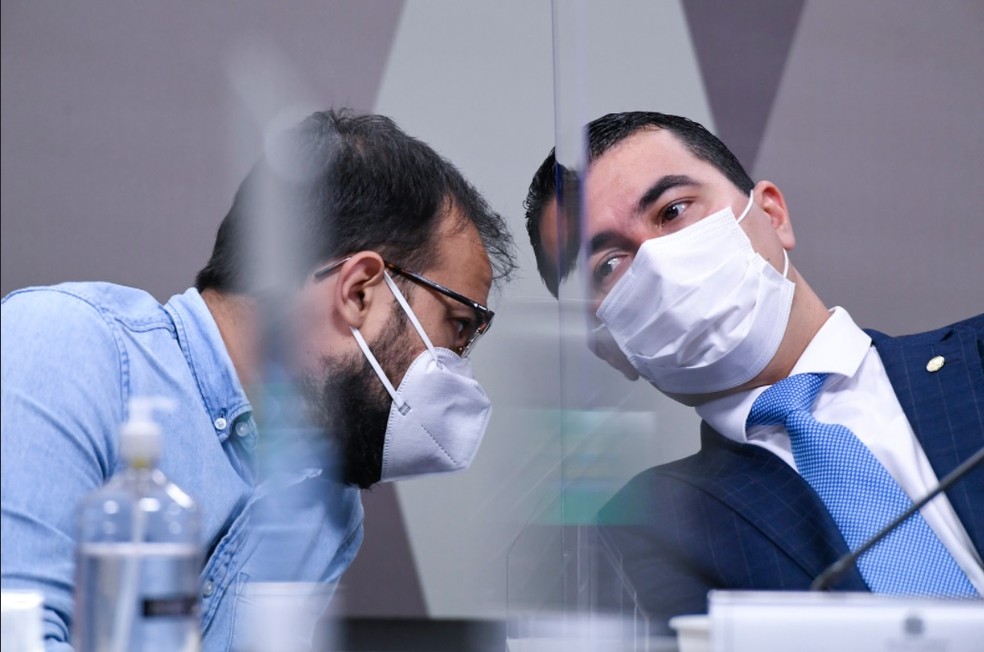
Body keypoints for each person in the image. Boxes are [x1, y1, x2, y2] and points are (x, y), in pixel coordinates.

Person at [1, 108, 516, 651]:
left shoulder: (329, 510)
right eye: (458, 327)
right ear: (359, 291)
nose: (458, 369)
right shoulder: (64, 348)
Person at [523, 111, 983, 632]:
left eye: (673, 211)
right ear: (605, 345)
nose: (657, 262)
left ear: (772, 213)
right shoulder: (638, 534)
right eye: (608, 265)